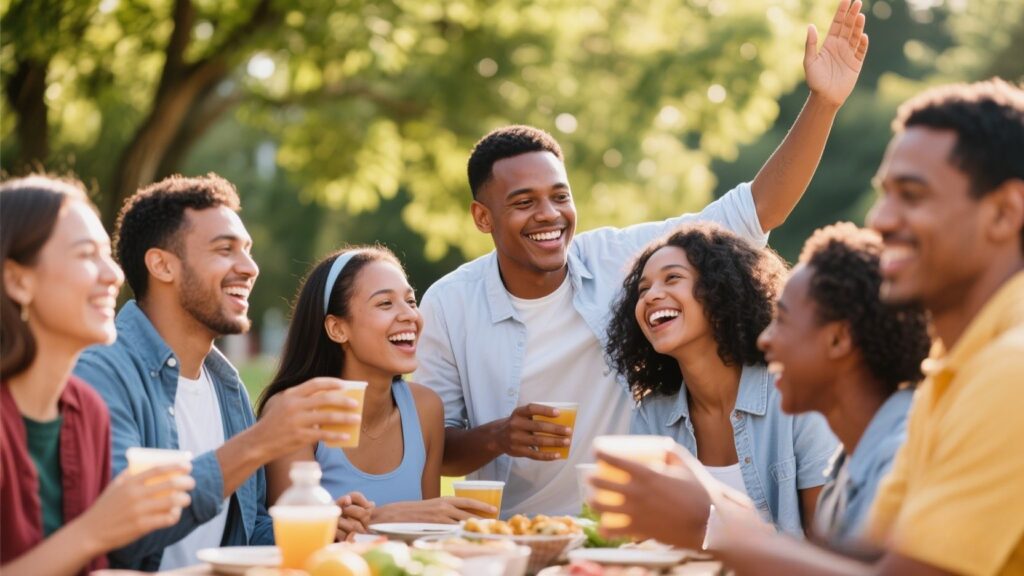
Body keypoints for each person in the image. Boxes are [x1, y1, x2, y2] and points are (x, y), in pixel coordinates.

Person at [414, 0, 869, 518]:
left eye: (560, 196)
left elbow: (757, 210)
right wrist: (499, 435)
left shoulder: (623, 260)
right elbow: (434, 448)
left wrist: (823, 104)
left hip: (622, 539)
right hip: (516, 537)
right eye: (523, 203)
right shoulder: (450, 304)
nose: (549, 215)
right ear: (482, 217)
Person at [590, 78, 1024, 575]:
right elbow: (864, 557)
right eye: (884, 195)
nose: (880, 220)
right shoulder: (947, 374)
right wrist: (714, 508)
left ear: (1004, 212)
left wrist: (712, 527)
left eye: (912, 194)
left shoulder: (1010, 372)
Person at [74, 174, 362, 571]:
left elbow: (246, 531)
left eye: (247, 250)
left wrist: (317, 526)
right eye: (225, 249)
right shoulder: (100, 373)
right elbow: (126, 534)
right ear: (162, 265)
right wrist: (260, 441)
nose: (249, 268)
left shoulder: (226, 384)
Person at [1, 175, 193, 576]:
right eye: (87, 254)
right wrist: (96, 531)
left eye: (107, 254)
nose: (114, 275)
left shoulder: (87, 412)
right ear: (18, 280)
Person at [604, 223, 837, 536]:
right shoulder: (652, 416)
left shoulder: (796, 397)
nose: (651, 296)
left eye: (672, 278)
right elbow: (646, 540)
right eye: (643, 290)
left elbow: (829, 544)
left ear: (718, 291)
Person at [257, 248, 495, 537]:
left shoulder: (425, 408)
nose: (410, 315)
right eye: (385, 303)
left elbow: (428, 537)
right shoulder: (295, 412)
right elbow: (290, 540)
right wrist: (385, 517)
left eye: (410, 301)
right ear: (337, 328)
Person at [757, 222, 930, 550]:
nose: (764, 340)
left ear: (838, 338)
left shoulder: (905, 456)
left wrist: (716, 527)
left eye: (782, 320)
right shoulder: (844, 463)